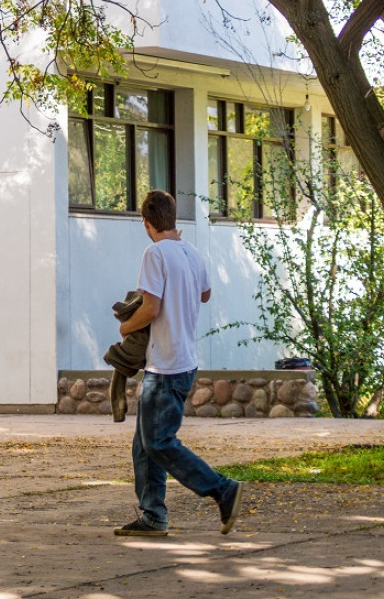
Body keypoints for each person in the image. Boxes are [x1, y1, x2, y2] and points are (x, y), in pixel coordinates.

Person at [115, 190, 243, 537]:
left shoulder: (154, 253)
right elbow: (205, 294)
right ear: (172, 218)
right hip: (184, 360)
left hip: (166, 364)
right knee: (144, 444)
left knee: (158, 442)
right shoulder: (191, 252)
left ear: (146, 223)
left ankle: (222, 489)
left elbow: (151, 309)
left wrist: (126, 326)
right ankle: (153, 515)